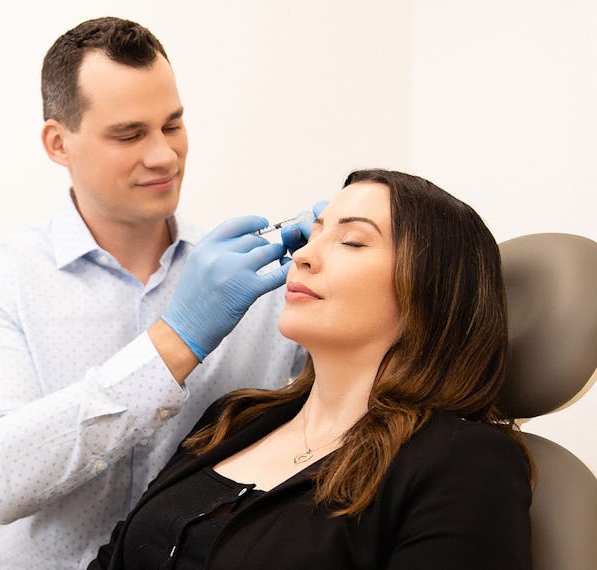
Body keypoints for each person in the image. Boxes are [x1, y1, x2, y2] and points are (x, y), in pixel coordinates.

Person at [0, 17, 309, 569]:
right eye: (129, 134)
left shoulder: (258, 287)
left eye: (173, 125)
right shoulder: (3, 278)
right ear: (57, 142)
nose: (164, 155)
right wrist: (176, 341)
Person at [89, 169, 534, 570]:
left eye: (352, 241)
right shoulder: (234, 419)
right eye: (313, 235)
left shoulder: (466, 462)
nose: (303, 256)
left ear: (432, 291)